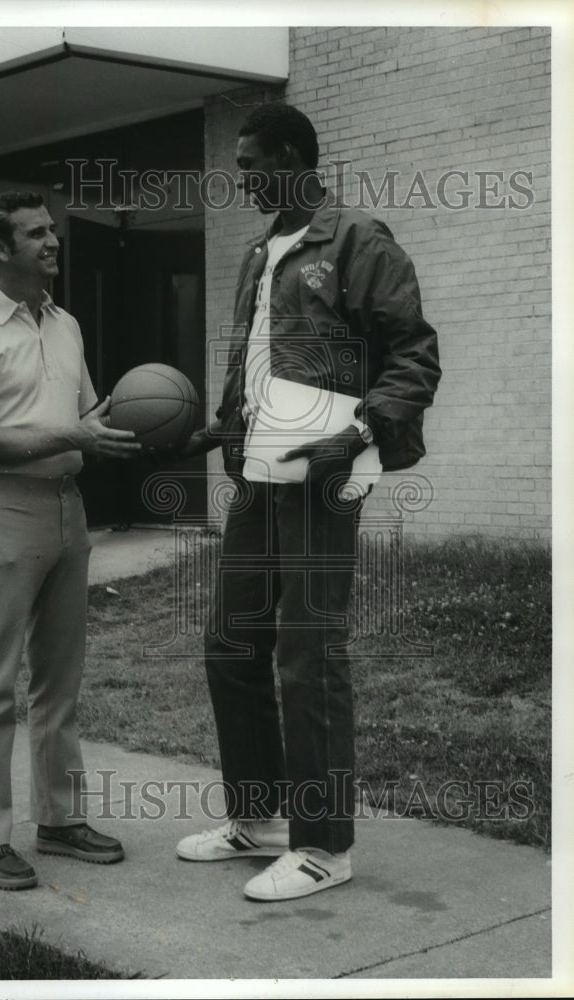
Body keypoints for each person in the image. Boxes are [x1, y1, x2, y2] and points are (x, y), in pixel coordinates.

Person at [173, 104, 441, 901]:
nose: (243, 177)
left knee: (309, 652)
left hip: (322, 470)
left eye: (252, 163)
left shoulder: (355, 239)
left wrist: (358, 434)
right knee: (231, 642)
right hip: (259, 469)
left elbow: (413, 354)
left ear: (292, 157)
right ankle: (259, 820)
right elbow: (254, 361)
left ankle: (325, 846)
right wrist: (223, 427)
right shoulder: (260, 254)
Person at [0, 190, 142, 890]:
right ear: (0, 248)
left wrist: (151, 426)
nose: (53, 242)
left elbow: (88, 415)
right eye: (35, 234)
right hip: (3, 510)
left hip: (65, 509)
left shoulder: (66, 325)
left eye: (53, 231)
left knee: (60, 681)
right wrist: (75, 434)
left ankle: (58, 819)